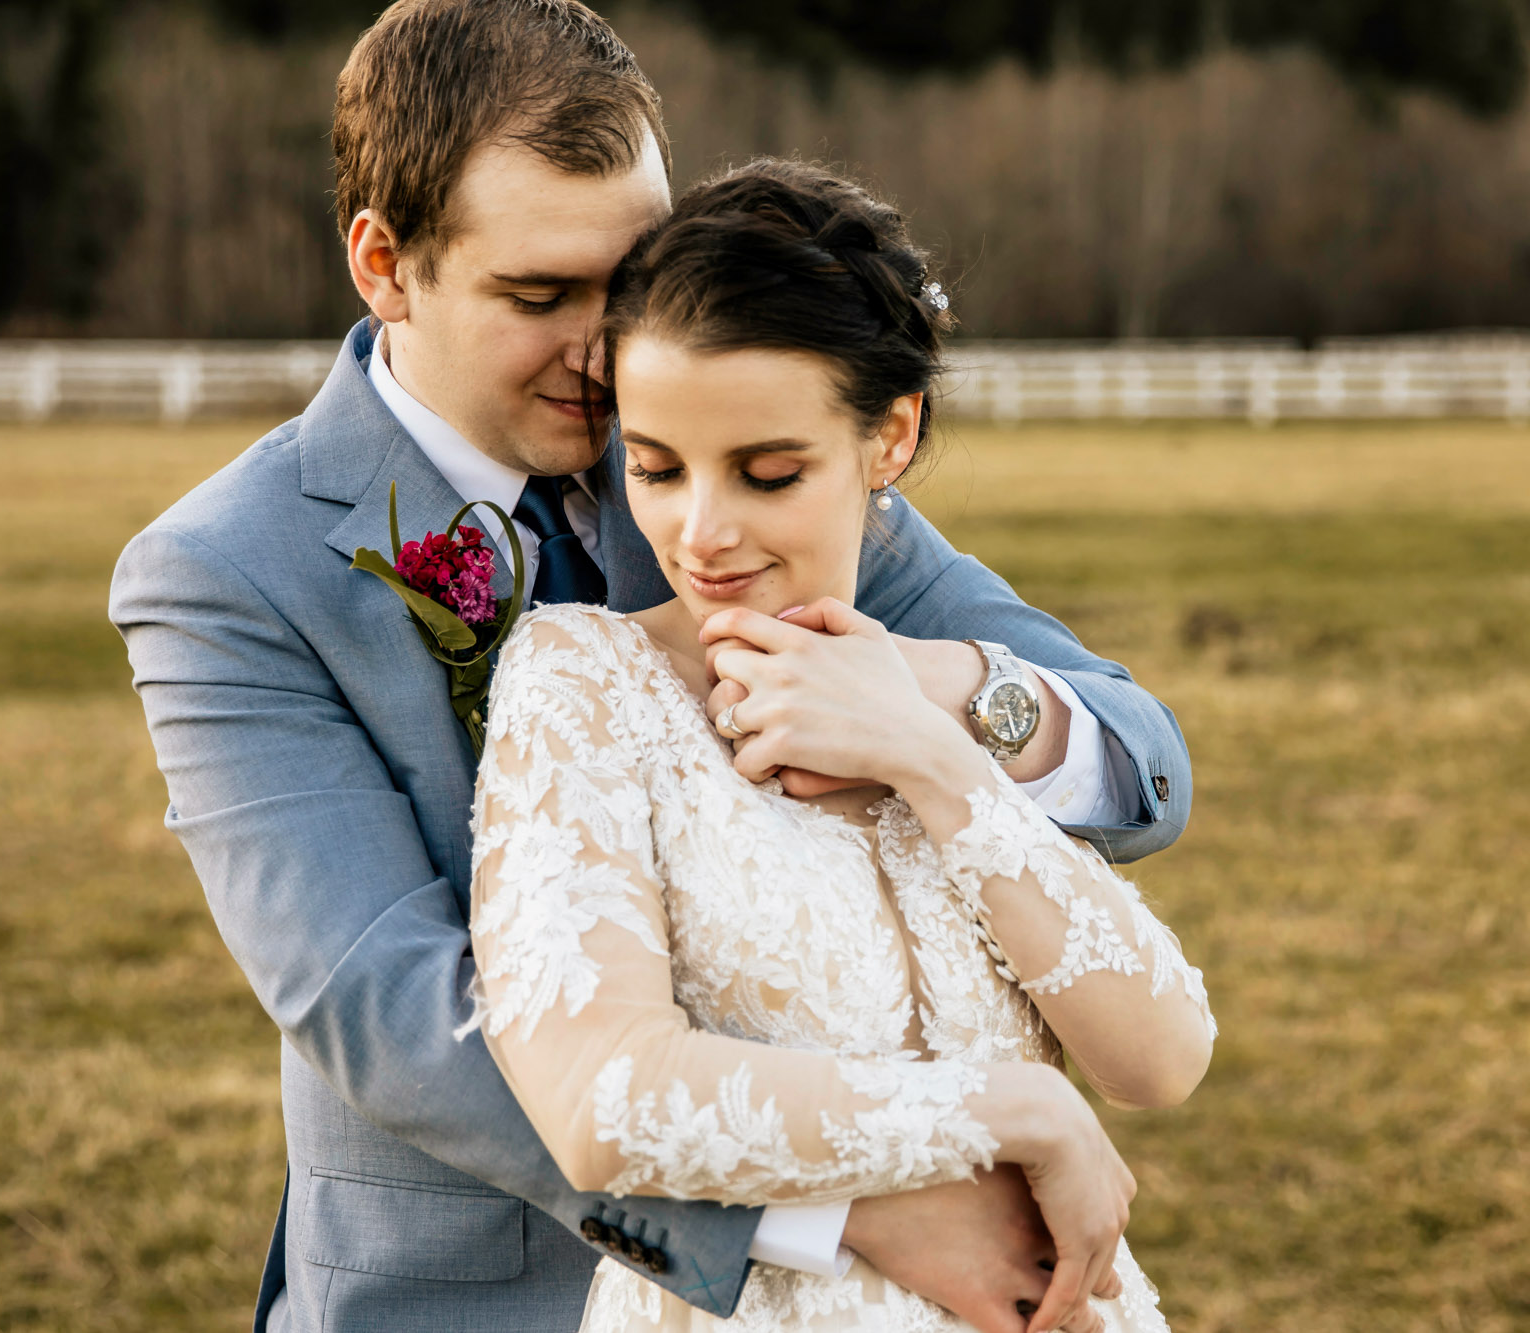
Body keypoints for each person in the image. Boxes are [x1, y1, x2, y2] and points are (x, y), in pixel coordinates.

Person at [108, 3, 1193, 1332]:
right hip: (478, 1297)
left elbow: (1141, 763)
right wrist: (850, 1207)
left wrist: (948, 698)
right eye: (539, 296)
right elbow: (389, 1004)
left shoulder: (722, 452)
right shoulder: (226, 572)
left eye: (629, 282)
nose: (610, 352)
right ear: (385, 264)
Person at [465, 157, 1216, 1333]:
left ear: (889, 440)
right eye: (654, 469)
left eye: (768, 473)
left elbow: (1161, 1054)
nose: (700, 533)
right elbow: (600, 1097)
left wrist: (930, 752)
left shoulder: (920, 685)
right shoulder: (584, 685)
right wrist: (1012, 1112)